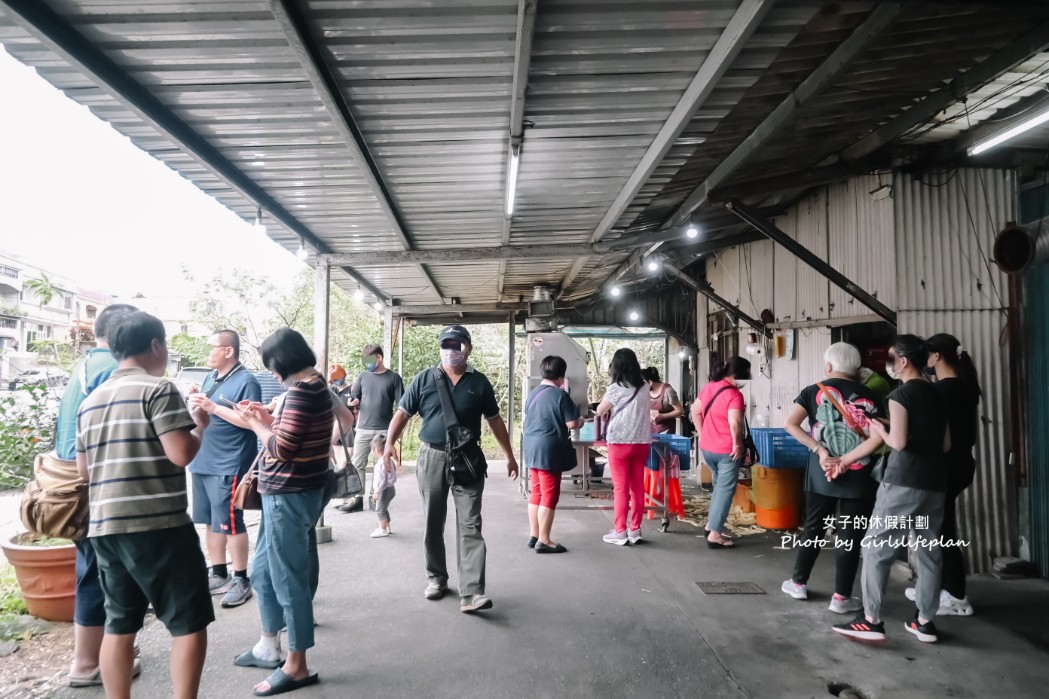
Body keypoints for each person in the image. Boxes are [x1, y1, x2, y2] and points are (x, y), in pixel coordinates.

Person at [75, 312, 213, 699]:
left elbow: (84, 470)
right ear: (155, 345)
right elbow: (181, 453)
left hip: (105, 527)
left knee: (119, 623)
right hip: (159, 526)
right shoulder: (158, 389)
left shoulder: (92, 401)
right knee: (188, 621)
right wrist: (199, 423)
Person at [383, 324, 520, 613]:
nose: (450, 351)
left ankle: (472, 592)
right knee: (433, 520)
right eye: (446, 345)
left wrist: (509, 454)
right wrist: (389, 444)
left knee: (470, 523)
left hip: (468, 460)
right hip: (431, 457)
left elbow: (495, 421)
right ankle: (437, 578)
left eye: (456, 345)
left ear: (467, 348)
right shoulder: (424, 379)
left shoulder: (479, 383)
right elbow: (402, 414)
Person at [834, 334, 950, 645]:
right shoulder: (939, 393)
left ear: (902, 361)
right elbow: (946, 443)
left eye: (890, 356)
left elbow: (897, 443)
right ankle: (925, 621)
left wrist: (880, 428)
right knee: (928, 551)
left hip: (903, 483)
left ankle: (871, 619)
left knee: (875, 547)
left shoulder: (901, 395)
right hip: (935, 483)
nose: (888, 362)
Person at [233, 328, 330, 696]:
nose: (272, 374)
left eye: (272, 366)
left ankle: (297, 664)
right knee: (261, 571)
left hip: (289, 494)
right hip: (289, 492)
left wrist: (257, 422)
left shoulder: (304, 392)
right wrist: (265, 417)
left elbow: (283, 448)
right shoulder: (312, 387)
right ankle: (267, 644)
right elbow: (293, 435)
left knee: (289, 580)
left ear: (283, 362)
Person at [53, 303, 139, 688]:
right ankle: (87, 664)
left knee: (93, 567)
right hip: (96, 483)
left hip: (73, 479)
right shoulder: (111, 369)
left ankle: (98, 654)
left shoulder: (88, 363)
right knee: (100, 572)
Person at [781, 343, 884, 614]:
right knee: (850, 537)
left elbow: (790, 424)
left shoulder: (813, 390)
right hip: (860, 475)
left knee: (813, 529)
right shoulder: (872, 395)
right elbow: (878, 438)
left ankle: (798, 583)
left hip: (821, 472)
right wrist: (848, 460)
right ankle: (841, 598)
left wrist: (820, 449)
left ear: (829, 366)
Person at [903, 333, 980, 616]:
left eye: (927, 355)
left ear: (935, 357)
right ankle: (939, 588)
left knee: (941, 533)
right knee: (939, 529)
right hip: (960, 465)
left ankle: (957, 596)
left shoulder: (944, 390)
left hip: (946, 468)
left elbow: (927, 429)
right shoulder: (961, 386)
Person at [184, 330, 261, 608]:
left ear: (228, 351)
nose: (209, 353)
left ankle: (241, 578)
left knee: (231, 522)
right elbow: (201, 416)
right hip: (202, 459)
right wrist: (195, 400)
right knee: (209, 521)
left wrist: (213, 407)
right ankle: (218, 572)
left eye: (213, 348)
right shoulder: (209, 378)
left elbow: (250, 421)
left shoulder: (246, 381)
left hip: (229, 462)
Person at [522, 355, 583, 554]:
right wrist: (581, 420)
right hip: (549, 449)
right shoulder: (560, 395)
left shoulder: (533, 393)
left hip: (531, 446)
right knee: (549, 494)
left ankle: (534, 534)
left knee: (537, 491)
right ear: (562, 375)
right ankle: (545, 540)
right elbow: (572, 424)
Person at [691, 357, 751, 549]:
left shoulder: (710, 386)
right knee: (725, 491)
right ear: (737, 374)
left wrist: (702, 434)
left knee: (719, 488)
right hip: (727, 451)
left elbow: (695, 411)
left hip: (708, 449)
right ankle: (715, 533)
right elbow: (734, 423)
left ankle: (711, 526)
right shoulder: (734, 395)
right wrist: (737, 445)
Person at [594, 348, 651, 546]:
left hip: (619, 442)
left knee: (620, 489)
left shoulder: (615, 388)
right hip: (642, 442)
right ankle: (635, 530)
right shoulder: (645, 386)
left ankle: (620, 531)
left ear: (616, 366)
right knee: (637, 488)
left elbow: (600, 411)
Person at [340, 344, 403, 513]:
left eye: (369, 360)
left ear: (379, 358)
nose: (367, 364)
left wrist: (397, 431)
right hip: (363, 428)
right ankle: (357, 498)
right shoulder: (362, 377)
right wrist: (351, 402)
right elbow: (354, 398)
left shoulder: (394, 378)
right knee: (357, 463)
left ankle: (377, 498)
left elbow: (402, 406)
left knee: (380, 465)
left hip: (384, 430)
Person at [640, 366, 684, 434]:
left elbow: (680, 411)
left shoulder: (668, 391)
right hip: (651, 429)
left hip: (666, 430)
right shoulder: (646, 391)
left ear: (650, 382)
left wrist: (663, 416)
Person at [369, 432, 397, 538]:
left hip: (384, 490)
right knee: (384, 508)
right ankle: (387, 526)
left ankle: (382, 529)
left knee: (379, 510)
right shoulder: (389, 461)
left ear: (376, 449)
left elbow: (380, 480)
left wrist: (377, 492)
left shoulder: (380, 464)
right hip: (391, 488)